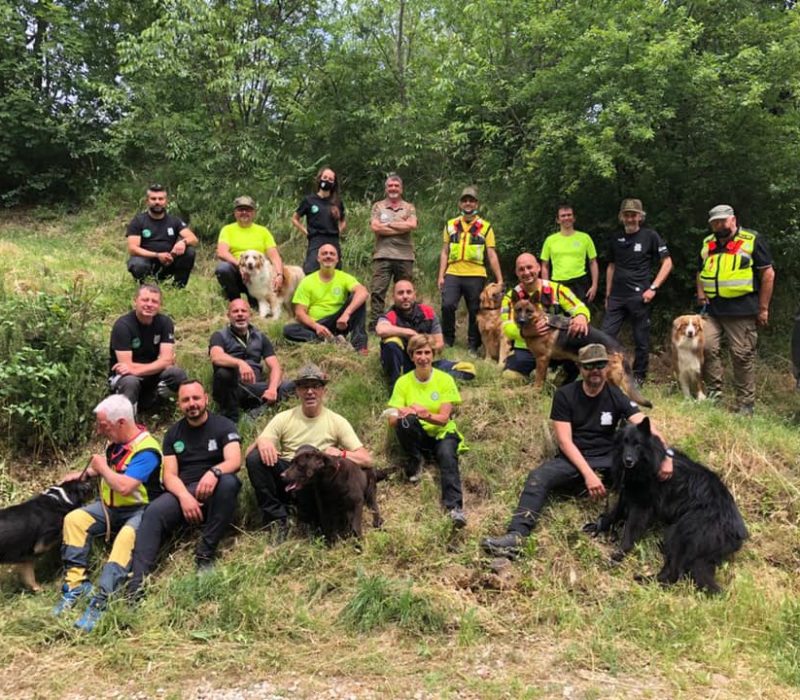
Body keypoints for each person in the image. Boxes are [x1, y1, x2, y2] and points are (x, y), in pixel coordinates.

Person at [481, 344, 673, 559]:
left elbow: (646, 426)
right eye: (589, 366)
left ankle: (664, 530)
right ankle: (516, 535)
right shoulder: (565, 395)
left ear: (606, 367)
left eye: (600, 365)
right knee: (538, 477)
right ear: (580, 368)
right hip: (573, 458)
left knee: (649, 473)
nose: (595, 371)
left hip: (608, 458)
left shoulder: (615, 395)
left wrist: (667, 456)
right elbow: (565, 442)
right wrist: (589, 474)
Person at [53, 395, 162, 631]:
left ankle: (102, 600)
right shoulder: (117, 441)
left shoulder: (147, 450)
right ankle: (75, 586)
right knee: (74, 520)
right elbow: (113, 466)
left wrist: (101, 467)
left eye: (104, 425)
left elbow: (125, 486)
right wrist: (83, 474)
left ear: (121, 422)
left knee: (124, 540)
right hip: (110, 509)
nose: (99, 430)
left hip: (141, 511)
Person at [127, 380, 242, 597]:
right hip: (185, 491)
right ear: (179, 404)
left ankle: (205, 554)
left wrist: (214, 472)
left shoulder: (224, 425)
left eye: (196, 398)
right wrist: (183, 496)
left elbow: (235, 461)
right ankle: (137, 584)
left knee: (229, 482)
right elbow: (169, 475)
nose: (192, 404)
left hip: (216, 490)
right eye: (185, 400)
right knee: (153, 512)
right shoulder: (173, 434)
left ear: (205, 398)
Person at [245, 363, 373, 536]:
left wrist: (342, 453)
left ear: (323, 391)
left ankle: (315, 519)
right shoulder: (284, 418)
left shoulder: (337, 421)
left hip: (317, 483)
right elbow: (248, 456)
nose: (310, 392)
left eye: (315, 386)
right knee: (255, 458)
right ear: (297, 391)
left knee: (310, 452)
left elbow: (367, 459)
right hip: (291, 473)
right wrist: (262, 441)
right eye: (304, 387)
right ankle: (277, 520)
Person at [697, 204, 774, 415]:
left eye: (722, 221)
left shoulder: (751, 239)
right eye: (715, 222)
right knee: (705, 347)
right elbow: (700, 271)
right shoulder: (708, 243)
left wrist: (763, 308)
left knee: (741, 355)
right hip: (712, 309)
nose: (719, 225)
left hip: (742, 309)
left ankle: (745, 404)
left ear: (733, 220)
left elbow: (768, 274)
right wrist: (701, 294)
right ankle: (714, 394)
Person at [387, 335, 468, 528]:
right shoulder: (403, 382)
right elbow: (392, 419)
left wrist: (424, 414)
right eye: (418, 353)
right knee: (405, 421)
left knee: (447, 456)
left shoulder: (445, 380)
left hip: (442, 433)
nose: (423, 357)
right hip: (418, 435)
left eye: (427, 352)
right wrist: (407, 412)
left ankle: (454, 508)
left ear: (433, 355)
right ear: (411, 356)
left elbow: (444, 419)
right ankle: (416, 460)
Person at [601, 198, 672, 385]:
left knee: (641, 339)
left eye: (634, 215)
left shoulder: (650, 236)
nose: (630, 219)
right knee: (605, 336)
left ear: (640, 216)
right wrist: (607, 294)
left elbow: (667, 262)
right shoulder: (615, 238)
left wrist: (653, 288)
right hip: (617, 296)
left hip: (640, 296)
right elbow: (611, 266)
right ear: (621, 217)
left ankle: (639, 377)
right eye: (627, 215)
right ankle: (605, 372)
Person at [501, 253, 590, 383]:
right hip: (526, 349)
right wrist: (525, 332)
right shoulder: (510, 297)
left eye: (529, 267)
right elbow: (506, 326)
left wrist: (581, 316)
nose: (526, 272)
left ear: (538, 267)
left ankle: (562, 374)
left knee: (576, 352)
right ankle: (534, 374)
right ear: (516, 273)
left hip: (557, 347)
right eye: (521, 269)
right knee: (510, 376)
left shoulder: (557, 289)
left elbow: (579, 306)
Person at [437, 186, 503, 354]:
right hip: (453, 272)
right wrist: (441, 276)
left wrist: (500, 279)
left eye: (471, 201)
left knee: (475, 309)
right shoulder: (450, 225)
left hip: (476, 274)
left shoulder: (485, 227)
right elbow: (444, 252)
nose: (468, 203)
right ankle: (447, 340)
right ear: (460, 204)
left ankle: (473, 345)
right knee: (447, 305)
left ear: (476, 204)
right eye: (465, 200)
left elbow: (491, 254)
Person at [375, 279, 475, 389]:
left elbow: (439, 343)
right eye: (400, 293)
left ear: (414, 294)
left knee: (468, 370)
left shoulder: (428, 312)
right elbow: (381, 330)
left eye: (409, 292)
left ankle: (427, 379)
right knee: (391, 342)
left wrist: (423, 348)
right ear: (393, 297)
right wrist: (409, 333)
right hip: (402, 365)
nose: (405, 296)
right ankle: (395, 386)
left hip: (424, 362)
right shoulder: (389, 316)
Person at [209, 299, 294, 422]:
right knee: (223, 374)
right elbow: (216, 357)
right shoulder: (219, 335)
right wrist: (239, 363)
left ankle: (256, 412)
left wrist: (272, 389)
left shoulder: (260, 337)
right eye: (235, 311)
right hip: (233, 387)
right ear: (228, 315)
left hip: (255, 387)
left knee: (291, 385)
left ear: (250, 314)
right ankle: (231, 418)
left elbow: (275, 366)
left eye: (243, 311)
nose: (240, 314)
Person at [108, 284, 187, 412]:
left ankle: (158, 405)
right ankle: (128, 417)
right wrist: (159, 364)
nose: (149, 304)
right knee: (130, 381)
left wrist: (136, 369)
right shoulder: (123, 326)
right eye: (145, 300)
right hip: (125, 378)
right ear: (135, 301)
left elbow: (167, 361)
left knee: (177, 374)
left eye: (154, 301)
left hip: (149, 375)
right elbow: (125, 367)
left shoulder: (165, 322)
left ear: (160, 305)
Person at [283, 244, 368, 354]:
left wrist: (346, 314)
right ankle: (332, 341)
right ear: (318, 258)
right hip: (317, 324)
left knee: (358, 299)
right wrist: (316, 326)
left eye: (332, 254)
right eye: (324, 253)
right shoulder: (307, 281)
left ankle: (359, 346)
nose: (328, 256)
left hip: (339, 321)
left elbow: (363, 292)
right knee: (288, 330)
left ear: (337, 259)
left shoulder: (344, 277)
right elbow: (299, 312)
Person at [368, 173, 418, 330]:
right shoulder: (378, 206)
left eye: (396, 186)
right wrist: (400, 225)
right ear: (386, 188)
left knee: (405, 292)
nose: (393, 188)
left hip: (405, 256)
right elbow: (375, 227)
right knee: (378, 291)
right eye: (390, 186)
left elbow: (412, 225)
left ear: (401, 189)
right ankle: (375, 324)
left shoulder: (409, 207)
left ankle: (404, 321)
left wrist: (387, 225)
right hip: (382, 254)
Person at [215, 195, 286, 302]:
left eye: (248, 210)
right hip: (237, 271)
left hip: (258, 275)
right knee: (223, 268)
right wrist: (240, 266)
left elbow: (275, 256)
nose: (244, 212)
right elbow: (222, 252)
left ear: (254, 213)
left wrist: (279, 275)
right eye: (240, 209)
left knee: (258, 304)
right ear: (235, 213)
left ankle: (256, 300)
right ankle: (235, 301)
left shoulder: (263, 231)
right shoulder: (227, 230)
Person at [126, 184, 198, 288]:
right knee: (138, 263)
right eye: (153, 199)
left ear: (166, 201)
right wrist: (157, 255)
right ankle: (144, 287)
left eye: (161, 199)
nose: (157, 202)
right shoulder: (138, 221)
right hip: (147, 262)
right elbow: (132, 249)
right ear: (147, 201)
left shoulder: (174, 220)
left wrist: (183, 242)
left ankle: (178, 287)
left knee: (189, 252)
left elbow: (194, 239)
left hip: (169, 262)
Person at [291, 166, 346, 274]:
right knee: (311, 270)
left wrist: (339, 231)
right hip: (316, 239)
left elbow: (343, 221)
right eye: (325, 177)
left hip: (333, 240)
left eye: (330, 179)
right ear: (319, 178)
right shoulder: (309, 200)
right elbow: (295, 218)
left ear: (334, 183)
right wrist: (306, 232)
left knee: (335, 272)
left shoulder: (337, 202)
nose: (327, 181)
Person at [540, 204, 599, 303]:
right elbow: (545, 266)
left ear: (574, 218)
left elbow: (593, 262)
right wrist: (546, 287)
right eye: (563, 216)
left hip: (580, 283)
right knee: (560, 313)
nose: (566, 218)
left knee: (582, 312)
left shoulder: (585, 238)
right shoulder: (550, 240)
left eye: (569, 215)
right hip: (558, 283)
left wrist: (594, 285)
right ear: (558, 220)